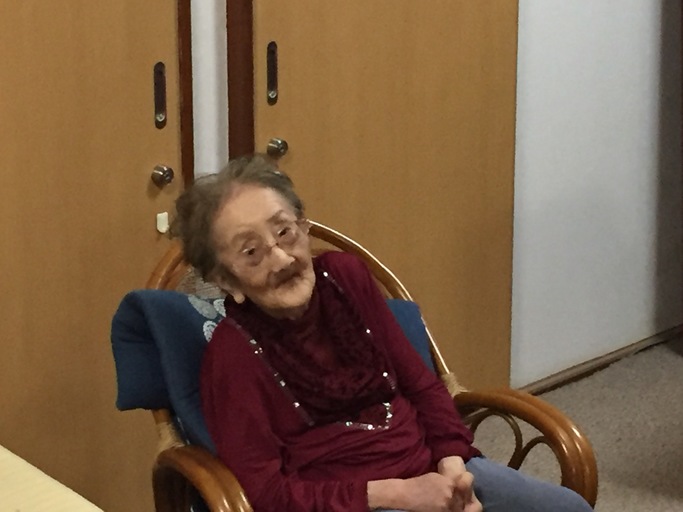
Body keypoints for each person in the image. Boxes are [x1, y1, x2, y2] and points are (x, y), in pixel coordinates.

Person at [171, 154, 593, 512]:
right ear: (225, 280)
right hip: (353, 503)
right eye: (251, 252)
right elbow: (267, 495)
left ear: (304, 226)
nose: (281, 259)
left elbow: (421, 384)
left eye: (285, 232)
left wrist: (452, 466)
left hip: (435, 471)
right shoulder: (233, 357)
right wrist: (399, 494)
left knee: (569, 509)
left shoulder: (345, 277)